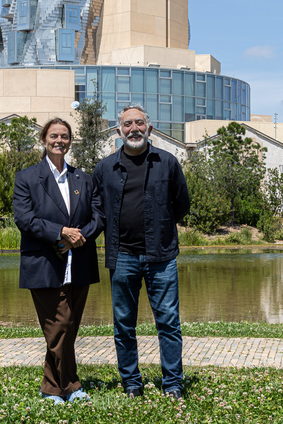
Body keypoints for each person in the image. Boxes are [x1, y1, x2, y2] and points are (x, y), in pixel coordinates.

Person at [92, 104, 190, 399]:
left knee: (169, 323)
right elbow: (96, 209)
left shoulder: (168, 162)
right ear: (119, 130)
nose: (133, 128)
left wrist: (160, 229)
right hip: (122, 257)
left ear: (149, 128)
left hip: (161, 256)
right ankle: (131, 383)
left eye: (139, 123)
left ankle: (173, 383)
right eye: (126, 124)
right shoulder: (105, 168)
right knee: (123, 324)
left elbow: (181, 204)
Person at [13, 118, 103, 403]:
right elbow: (24, 219)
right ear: (43, 140)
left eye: (64, 136)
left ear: (70, 141)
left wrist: (77, 237)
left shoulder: (84, 179)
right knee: (60, 325)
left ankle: (51, 386)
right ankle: (69, 387)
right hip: (43, 263)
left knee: (69, 328)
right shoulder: (26, 178)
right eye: (54, 136)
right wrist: (61, 234)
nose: (59, 141)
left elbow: (99, 217)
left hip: (79, 263)